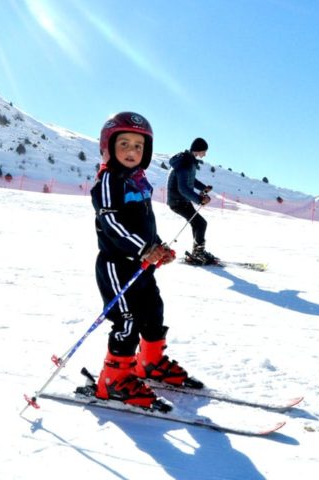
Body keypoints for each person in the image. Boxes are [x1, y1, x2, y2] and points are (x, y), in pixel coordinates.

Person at [90, 112, 203, 409]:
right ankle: (114, 381)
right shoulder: (109, 180)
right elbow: (111, 222)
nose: (132, 151)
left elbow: (144, 223)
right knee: (127, 320)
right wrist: (143, 248)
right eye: (124, 144)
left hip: (141, 265)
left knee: (153, 309)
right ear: (108, 147)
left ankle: (150, 362)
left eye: (138, 146)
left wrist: (157, 247)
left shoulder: (138, 182)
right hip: (117, 265)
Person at [166, 137, 218, 265]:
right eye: (204, 151)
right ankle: (198, 253)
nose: (205, 154)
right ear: (198, 150)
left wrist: (203, 188)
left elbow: (191, 180)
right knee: (200, 223)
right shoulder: (185, 163)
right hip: (178, 202)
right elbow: (183, 188)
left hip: (182, 200)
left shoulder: (189, 161)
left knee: (198, 224)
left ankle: (198, 252)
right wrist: (199, 199)